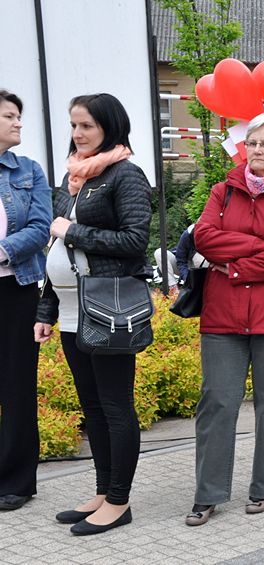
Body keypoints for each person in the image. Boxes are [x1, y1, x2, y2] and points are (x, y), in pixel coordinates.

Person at [185, 113, 264, 526]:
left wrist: (237, 266)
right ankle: (208, 494)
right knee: (217, 403)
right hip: (223, 316)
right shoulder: (223, 191)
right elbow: (204, 237)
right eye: (252, 143)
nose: (256, 150)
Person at [34, 93, 151, 535]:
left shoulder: (126, 175)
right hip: (69, 313)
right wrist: (46, 308)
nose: (77, 134)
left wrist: (74, 230)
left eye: (86, 126)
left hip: (107, 311)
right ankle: (103, 492)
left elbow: (134, 240)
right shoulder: (74, 181)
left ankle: (119, 501)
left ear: (109, 128)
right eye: (73, 126)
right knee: (93, 409)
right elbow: (56, 249)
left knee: (116, 407)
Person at [0, 90, 51, 512]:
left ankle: (17, 481)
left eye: (19, 116)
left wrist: (1, 250)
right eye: (10, 116)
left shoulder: (29, 170)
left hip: (14, 289)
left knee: (17, 385)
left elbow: (40, 227)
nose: (19, 123)